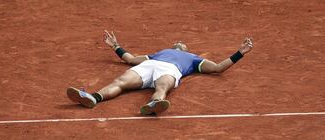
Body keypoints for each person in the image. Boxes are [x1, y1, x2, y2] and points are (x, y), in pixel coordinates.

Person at [67, 30, 253, 115]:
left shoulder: (194, 58)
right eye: (177, 41)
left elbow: (218, 67)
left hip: (171, 70)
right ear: (173, 46)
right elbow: (131, 59)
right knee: (120, 81)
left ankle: (154, 104)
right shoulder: (158, 53)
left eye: (182, 42)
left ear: (186, 48)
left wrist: (240, 54)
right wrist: (116, 46)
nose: (179, 41)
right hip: (151, 65)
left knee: (162, 86)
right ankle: (93, 97)